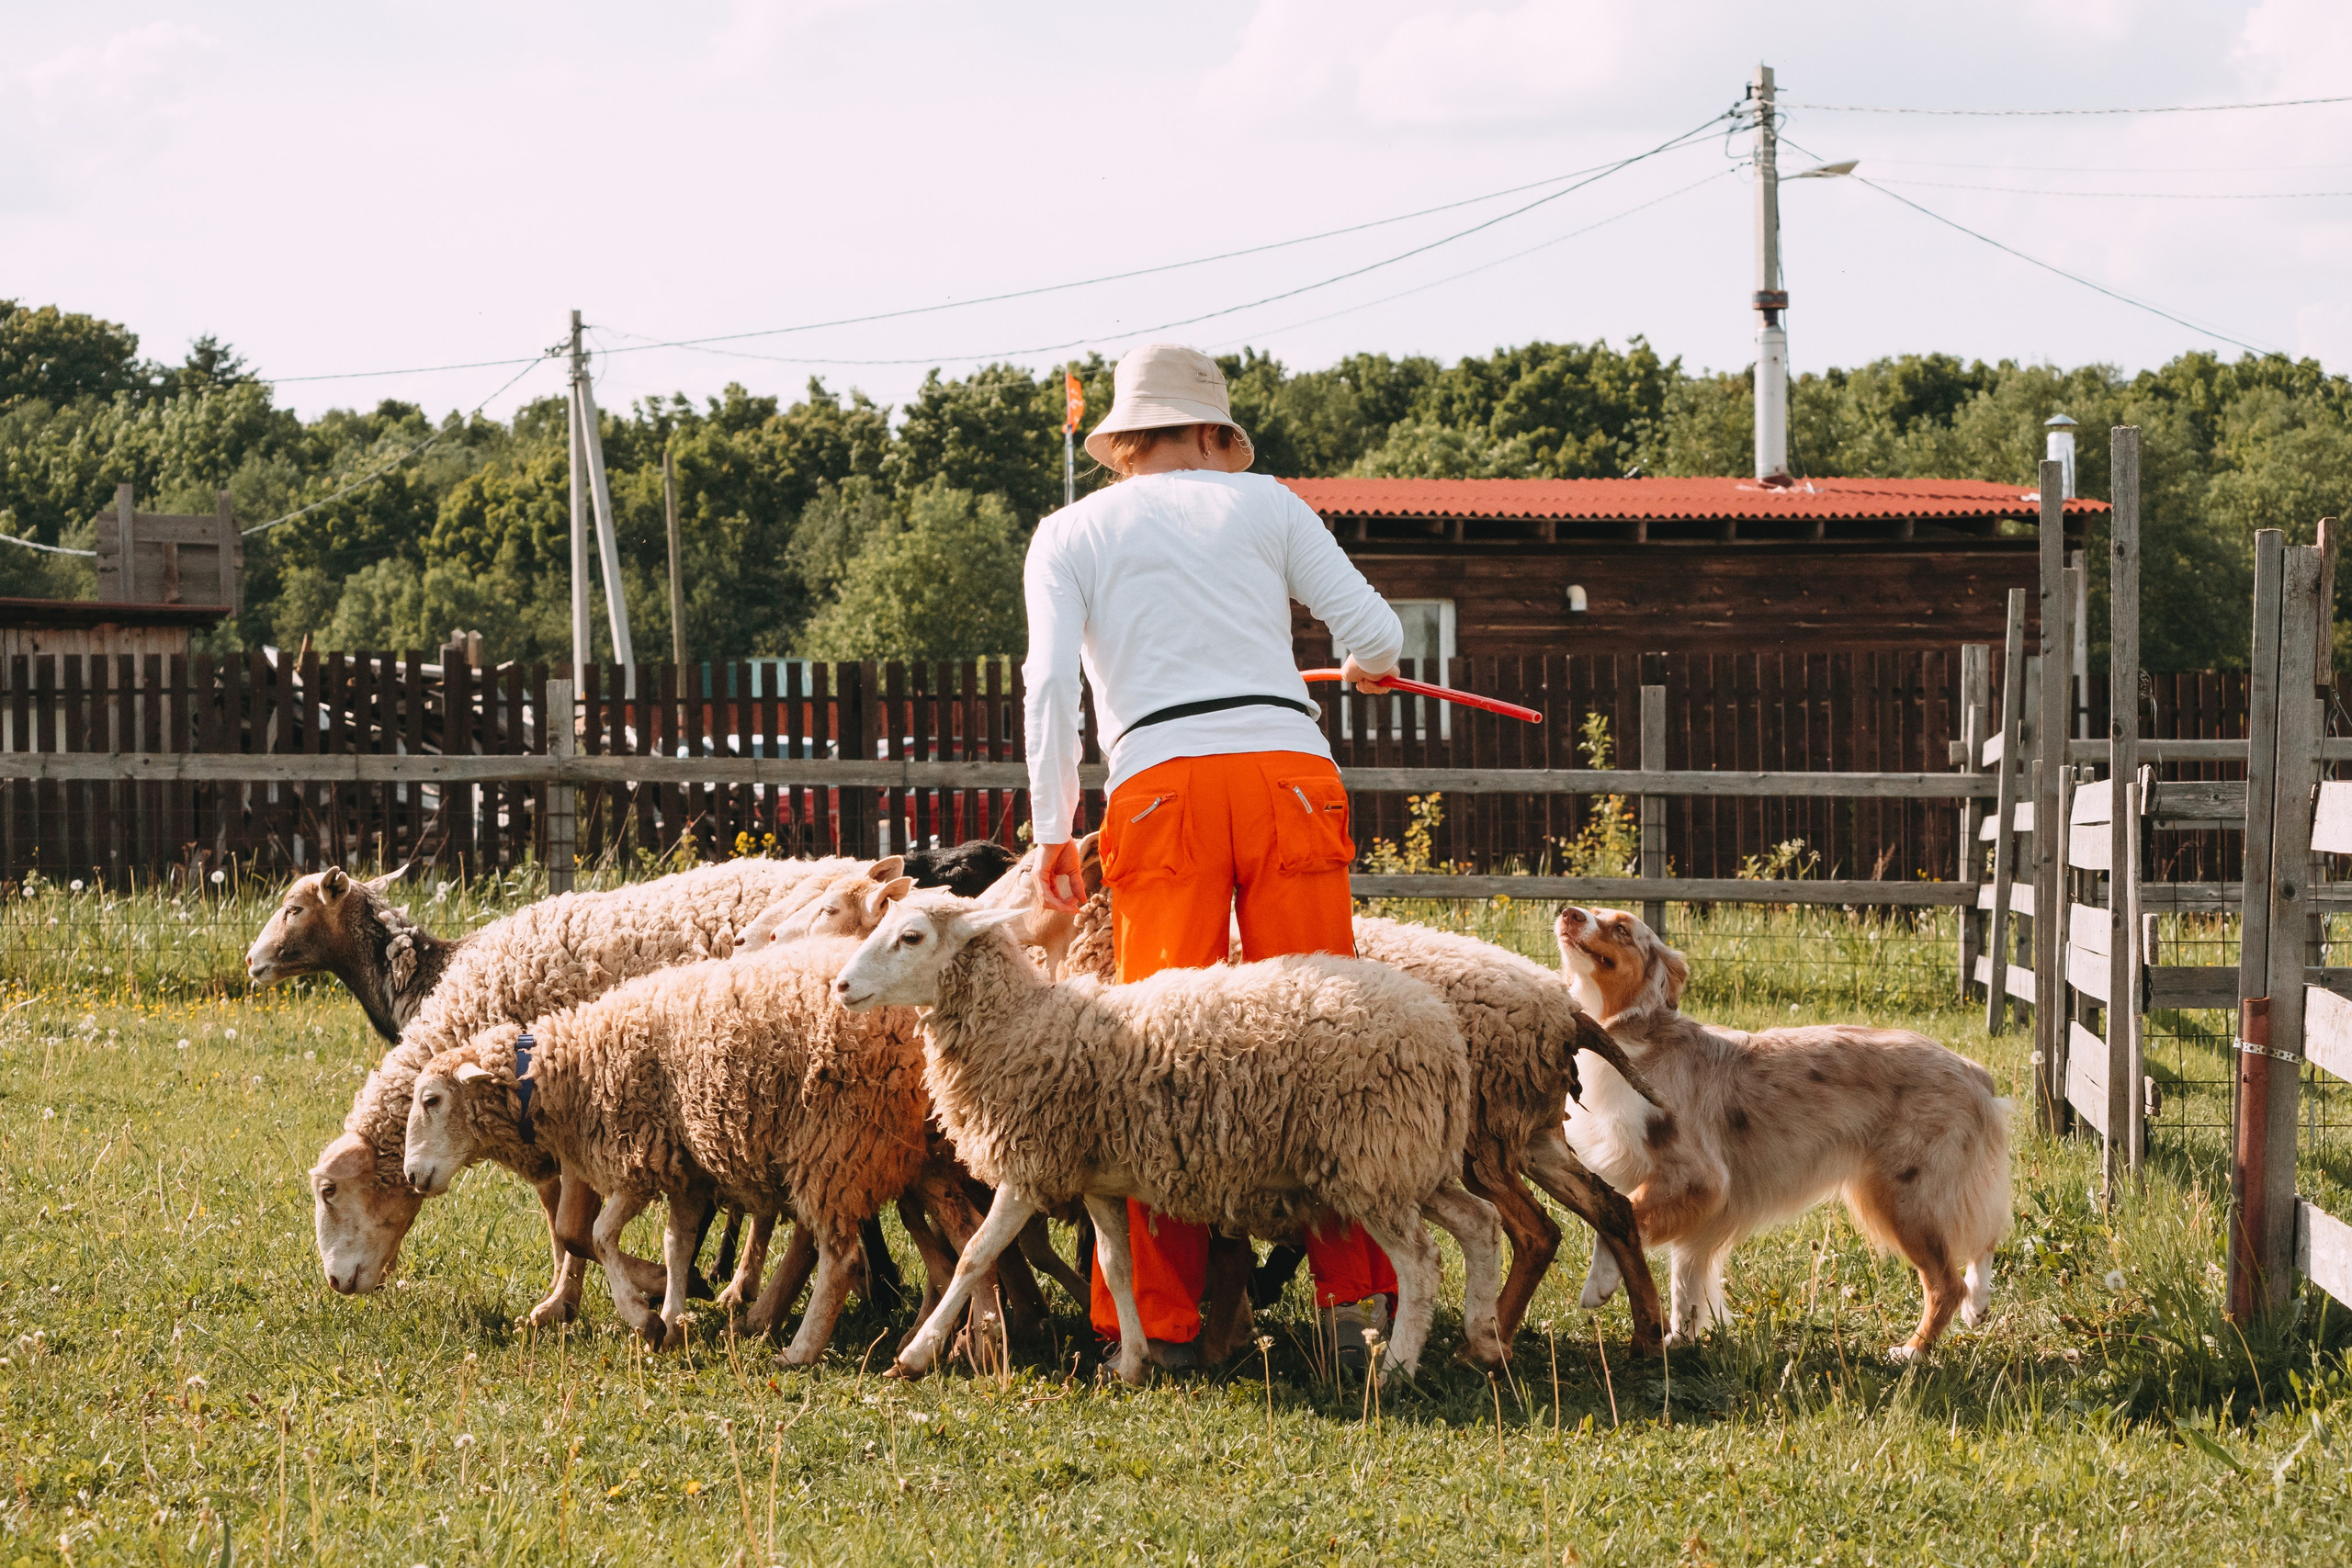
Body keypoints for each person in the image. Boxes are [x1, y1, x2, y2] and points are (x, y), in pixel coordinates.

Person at [1022, 342, 1405, 1371]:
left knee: (1156, 1060)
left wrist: (1054, 828)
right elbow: (1377, 631)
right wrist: (1369, 669)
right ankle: (1357, 1317)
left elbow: (1051, 687)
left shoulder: (1067, 533)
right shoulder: (1270, 505)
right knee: (1333, 1040)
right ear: (1209, 432)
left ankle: (1157, 1331)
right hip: (1286, 772)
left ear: (1126, 440)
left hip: (1159, 792)